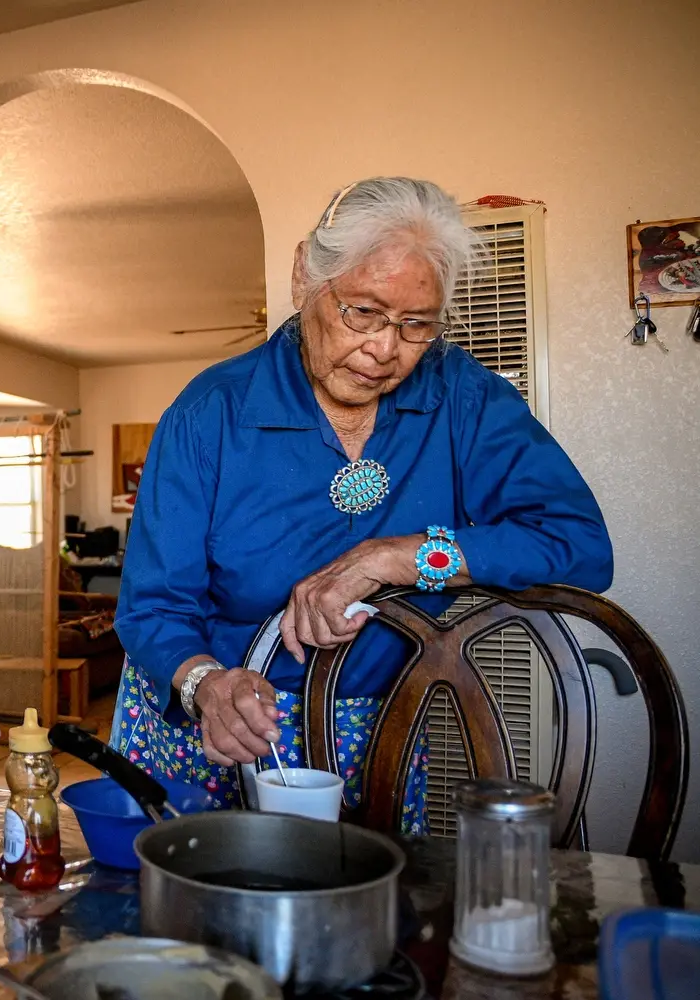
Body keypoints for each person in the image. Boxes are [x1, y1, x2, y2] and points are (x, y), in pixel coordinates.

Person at [112, 177, 613, 833]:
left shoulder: (465, 401)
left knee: (363, 921)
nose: (384, 349)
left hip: (374, 732)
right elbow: (153, 604)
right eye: (364, 312)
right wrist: (206, 684)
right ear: (304, 277)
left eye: (416, 325)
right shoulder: (213, 413)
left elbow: (579, 547)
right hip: (213, 722)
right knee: (190, 925)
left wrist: (400, 557)